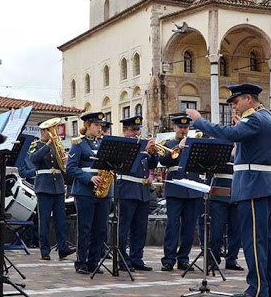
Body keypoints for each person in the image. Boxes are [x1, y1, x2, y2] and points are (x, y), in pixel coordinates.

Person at [187, 83, 271, 297]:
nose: (235, 107)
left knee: (254, 240)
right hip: (267, 185)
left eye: (237, 101)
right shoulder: (268, 118)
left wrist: (199, 120)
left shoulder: (255, 119)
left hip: (254, 186)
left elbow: (228, 133)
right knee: (270, 240)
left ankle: (258, 289)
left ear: (249, 99)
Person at [66, 112, 111, 274]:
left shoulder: (103, 143)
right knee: (85, 228)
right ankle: (81, 261)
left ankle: (94, 261)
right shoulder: (79, 144)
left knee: (100, 229)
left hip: (103, 191)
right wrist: (89, 178)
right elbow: (70, 167)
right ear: (87, 125)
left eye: (101, 125)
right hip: (85, 191)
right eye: (97, 125)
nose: (100, 128)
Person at [159, 115, 203, 272]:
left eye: (185, 127)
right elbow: (163, 161)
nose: (183, 130)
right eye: (180, 127)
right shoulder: (168, 144)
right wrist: (179, 148)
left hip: (192, 189)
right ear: (174, 128)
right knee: (173, 225)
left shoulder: (195, 143)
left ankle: (183, 258)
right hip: (175, 189)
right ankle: (169, 259)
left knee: (190, 227)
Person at [29, 119, 74, 261]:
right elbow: (33, 159)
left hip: (58, 187)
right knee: (44, 221)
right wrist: (47, 145)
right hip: (44, 186)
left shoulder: (57, 146)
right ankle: (45, 251)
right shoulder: (37, 145)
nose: (52, 133)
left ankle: (63, 248)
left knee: (61, 221)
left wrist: (65, 161)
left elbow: (63, 168)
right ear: (43, 132)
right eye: (49, 130)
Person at [116, 116, 158, 271]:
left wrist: (153, 153)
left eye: (137, 130)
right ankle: (122, 259)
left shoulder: (142, 146)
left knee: (140, 228)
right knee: (124, 227)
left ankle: (137, 258)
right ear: (125, 130)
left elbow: (152, 165)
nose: (136, 133)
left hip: (142, 191)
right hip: (127, 189)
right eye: (133, 130)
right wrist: (144, 150)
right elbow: (128, 166)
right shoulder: (122, 145)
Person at [208, 151, 243, 271]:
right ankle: (213, 258)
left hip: (238, 192)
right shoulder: (220, 147)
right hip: (220, 192)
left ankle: (232, 259)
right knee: (217, 229)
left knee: (236, 230)